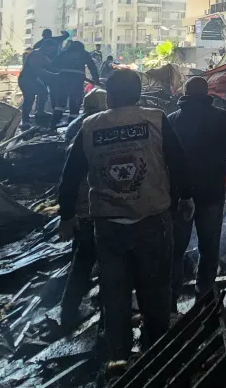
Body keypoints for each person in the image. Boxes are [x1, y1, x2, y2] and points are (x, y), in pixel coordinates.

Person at [58, 69, 193, 361]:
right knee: (156, 292)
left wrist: (66, 214)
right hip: (153, 221)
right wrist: (185, 198)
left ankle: (118, 360)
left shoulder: (90, 126)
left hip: (108, 227)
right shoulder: (156, 119)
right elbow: (180, 162)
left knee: (114, 295)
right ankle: (156, 356)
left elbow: (70, 175)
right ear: (138, 94)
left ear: (110, 97)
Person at [167, 77, 226, 304]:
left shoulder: (173, 120)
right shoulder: (220, 117)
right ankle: (205, 298)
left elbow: (166, 159)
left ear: (186, 93)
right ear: (206, 93)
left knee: (176, 249)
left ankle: (170, 299)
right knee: (209, 247)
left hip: (181, 196)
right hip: (212, 194)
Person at [59, 88, 107, 330]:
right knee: (96, 257)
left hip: (82, 207)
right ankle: (79, 310)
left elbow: (66, 175)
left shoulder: (75, 127)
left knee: (82, 256)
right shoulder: (97, 129)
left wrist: (67, 214)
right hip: (96, 206)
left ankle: (70, 307)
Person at [50, 41, 100, 129]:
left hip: (63, 79)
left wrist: (64, 70)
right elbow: (92, 67)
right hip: (77, 81)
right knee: (74, 103)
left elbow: (53, 64)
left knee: (60, 103)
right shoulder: (84, 54)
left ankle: (52, 126)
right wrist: (96, 79)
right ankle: (72, 128)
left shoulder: (65, 53)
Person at [19, 40, 58, 124]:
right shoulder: (35, 54)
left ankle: (40, 111)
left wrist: (60, 70)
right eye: (50, 49)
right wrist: (54, 75)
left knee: (43, 92)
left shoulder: (43, 56)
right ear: (46, 47)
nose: (51, 51)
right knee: (29, 99)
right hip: (26, 79)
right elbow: (38, 70)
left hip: (34, 79)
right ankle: (25, 120)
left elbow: (51, 65)